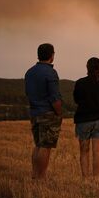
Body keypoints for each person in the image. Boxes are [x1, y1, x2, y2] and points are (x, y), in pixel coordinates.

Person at [24, 43, 63, 180]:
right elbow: (54, 97)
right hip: (48, 113)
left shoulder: (29, 72)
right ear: (52, 56)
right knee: (45, 147)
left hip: (34, 113)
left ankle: (35, 175)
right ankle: (41, 177)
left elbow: (28, 93)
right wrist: (59, 113)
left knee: (38, 145)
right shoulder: (50, 72)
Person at [73, 57, 99, 177]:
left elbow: (76, 100)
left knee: (84, 151)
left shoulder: (80, 83)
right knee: (98, 152)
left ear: (87, 67)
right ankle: (97, 180)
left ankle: (85, 178)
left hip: (83, 120)